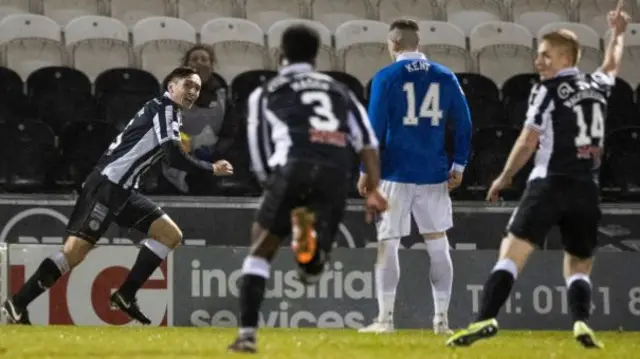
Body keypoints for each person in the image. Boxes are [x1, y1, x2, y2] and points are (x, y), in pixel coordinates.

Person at [446, 4, 629, 349]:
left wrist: (504, 176)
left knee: (510, 254)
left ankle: (485, 318)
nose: (539, 61)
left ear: (565, 58)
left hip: (549, 183)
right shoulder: (598, 85)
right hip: (587, 190)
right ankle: (580, 323)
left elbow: (529, 139)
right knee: (578, 263)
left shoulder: (545, 91)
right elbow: (612, 63)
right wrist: (617, 33)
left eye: (546, 55)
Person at [1, 67, 234, 325]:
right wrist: (211, 168)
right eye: (188, 85)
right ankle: (17, 303)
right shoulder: (165, 109)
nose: (193, 92)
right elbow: (172, 155)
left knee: (170, 235)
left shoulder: (170, 113)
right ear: (171, 87)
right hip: (107, 186)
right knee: (73, 254)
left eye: (197, 88)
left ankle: (125, 294)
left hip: (123, 190)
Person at [227, 24, 388, 353]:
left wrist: (268, 183)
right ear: (316, 55)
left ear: (281, 53)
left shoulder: (268, 90)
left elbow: (257, 144)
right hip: (335, 171)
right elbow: (368, 142)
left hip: (294, 166)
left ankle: (246, 335)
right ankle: (309, 245)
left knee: (260, 248)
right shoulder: (338, 89)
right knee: (312, 267)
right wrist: (373, 188)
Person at [358, 19, 472, 335]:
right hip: (433, 173)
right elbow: (463, 124)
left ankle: (385, 320)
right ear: (418, 44)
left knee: (388, 244)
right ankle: (441, 321)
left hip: (395, 172)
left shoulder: (385, 77)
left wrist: (365, 170)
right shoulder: (445, 76)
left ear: (393, 44)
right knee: (438, 244)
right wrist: (459, 165)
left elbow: (374, 128)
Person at [161, 45, 235, 195]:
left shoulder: (222, 96)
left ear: (211, 65)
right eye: (194, 59)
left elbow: (230, 133)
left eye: (204, 59)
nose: (199, 63)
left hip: (212, 162)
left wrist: (216, 151)